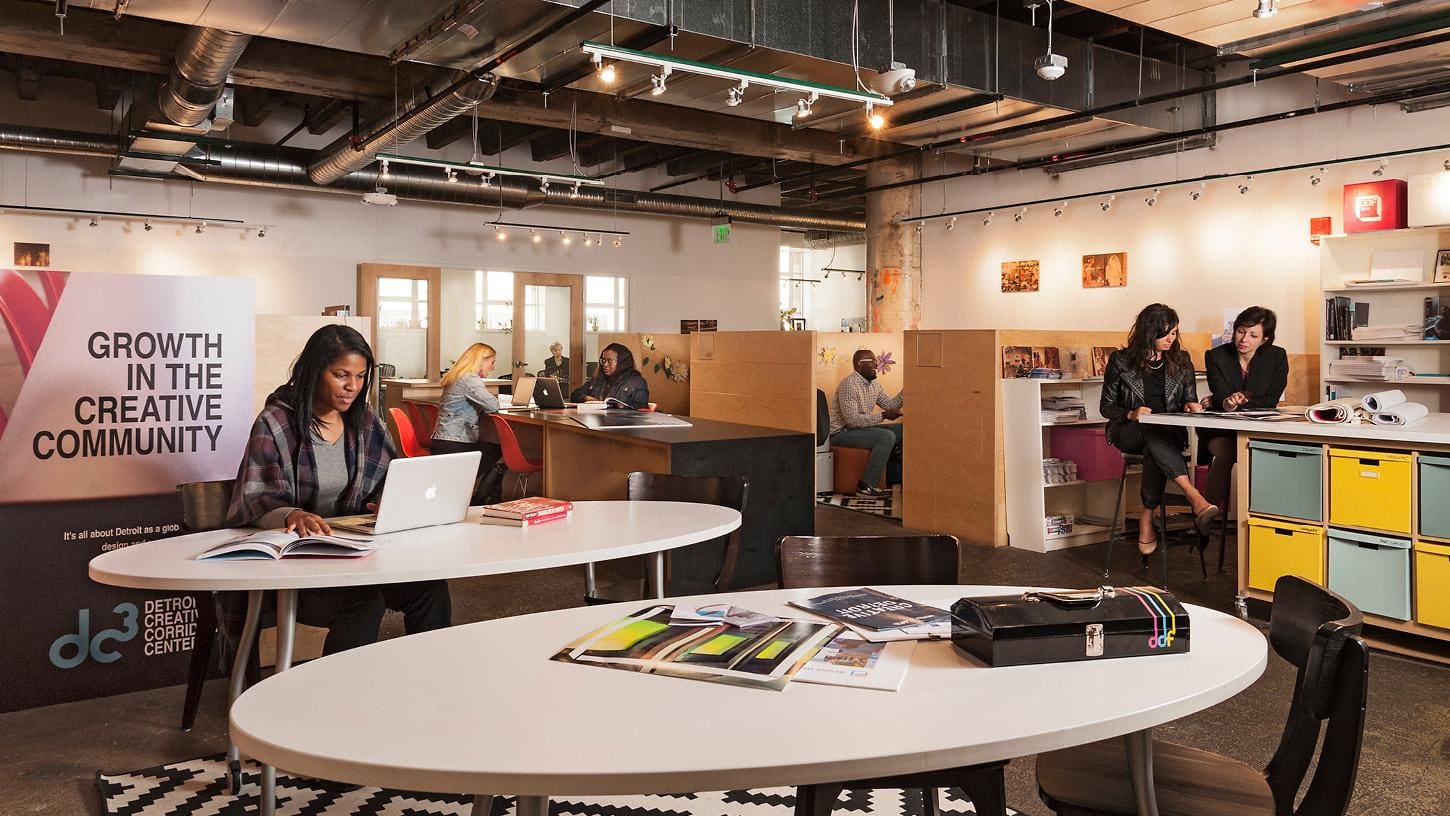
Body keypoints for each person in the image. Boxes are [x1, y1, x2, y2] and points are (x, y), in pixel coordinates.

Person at [225, 325, 450, 654]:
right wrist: (294, 514)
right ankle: (337, 699)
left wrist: (391, 502)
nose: (352, 387)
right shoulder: (275, 422)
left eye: (360, 377)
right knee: (363, 604)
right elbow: (256, 497)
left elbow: (391, 479)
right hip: (299, 564)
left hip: (357, 555)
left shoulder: (366, 421)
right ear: (314, 371)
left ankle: (432, 682)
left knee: (430, 590)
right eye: (341, 375)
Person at [1100, 304, 1218, 556]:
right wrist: (1131, 413)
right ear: (1148, 332)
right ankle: (1195, 497)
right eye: (1165, 333)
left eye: (1174, 333)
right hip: (1130, 430)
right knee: (1152, 433)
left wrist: (1190, 405)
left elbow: (1189, 398)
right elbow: (1106, 407)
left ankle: (1146, 517)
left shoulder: (1181, 360)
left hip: (1169, 433)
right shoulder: (1120, 361)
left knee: (1156, 443)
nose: (1170, 339)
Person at [1200, 306, 1288, 511]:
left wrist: (1220, 401)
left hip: (1259, 427)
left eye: (1253, 335)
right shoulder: (1216, 356)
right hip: (1221, 428)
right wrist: (1223, 402)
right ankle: (1205, 513)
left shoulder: (1277, 356)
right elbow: (1221, 393)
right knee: (1226, 453)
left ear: (1264, 339)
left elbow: (1270, 401)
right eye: (1240, 331)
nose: (1244, 339)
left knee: (1271, 454)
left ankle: (1264, 515)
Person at [433, 342, 506, 504]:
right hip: (457, 443)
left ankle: (476, 496)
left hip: (443, 440)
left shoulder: (456, 376)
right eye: (492, 362)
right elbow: (493, 406)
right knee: (501, 451)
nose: (493, 367)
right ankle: (479, 500)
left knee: (492, 448)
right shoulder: (470, 379)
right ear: (481, 360)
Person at [828, 349, 903, 497]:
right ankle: (867, 485)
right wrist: (883, 416)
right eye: (872, 361)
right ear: (858, 365)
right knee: (886, 437)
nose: (876, 364)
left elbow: (890, 404)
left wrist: (909, 390)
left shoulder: (874, 385)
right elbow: (852, 421)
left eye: (876, 361)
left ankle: (894, 471)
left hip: (861, 429)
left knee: (902, 430)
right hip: (842, 433)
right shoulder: (849, 385)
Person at [570, 342, 649, 407]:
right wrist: (586, 398)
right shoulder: (598, 380)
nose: (605, 364)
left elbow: (642, 408)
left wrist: (619, 406)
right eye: (603, 361)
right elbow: (575, 394)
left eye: (610, 361)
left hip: (621, 423)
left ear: (622, 362)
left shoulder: (637, 382)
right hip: (598, 422)